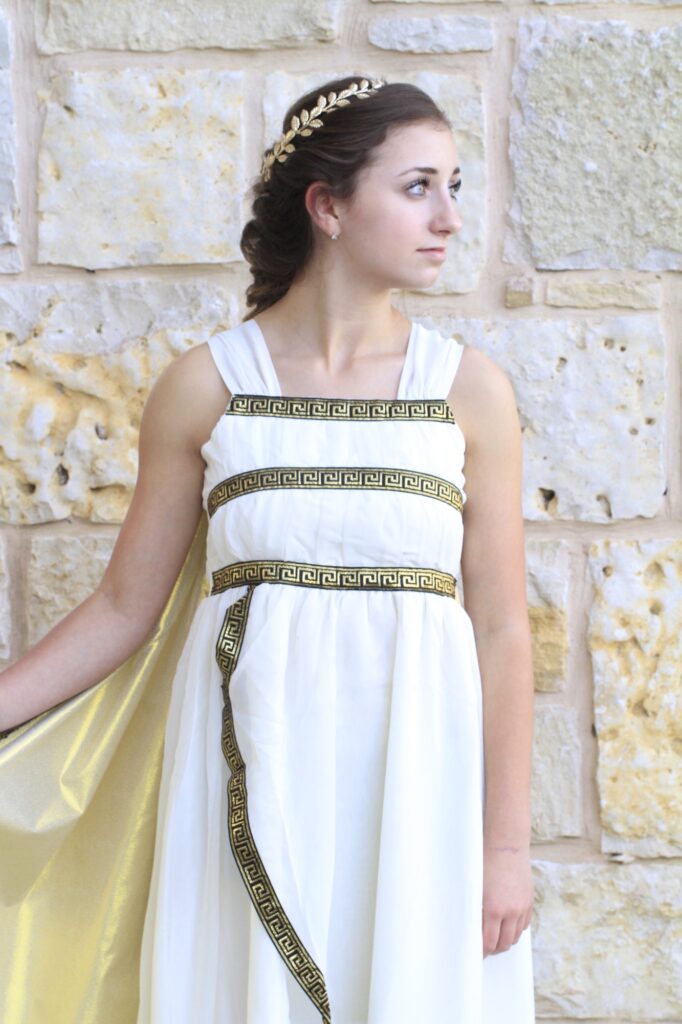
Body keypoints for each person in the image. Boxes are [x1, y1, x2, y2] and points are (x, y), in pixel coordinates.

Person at [0, 75, 535, 1022]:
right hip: (249, 771)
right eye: (418, 187)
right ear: (327, 206)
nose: (450, 216)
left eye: (455, 185)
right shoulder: (207, 387)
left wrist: (503, 849)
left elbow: (499, 627)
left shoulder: (468, 392)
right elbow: (126, 608)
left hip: (417, 791)